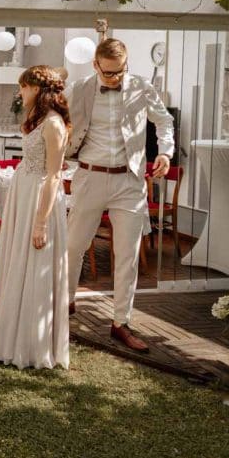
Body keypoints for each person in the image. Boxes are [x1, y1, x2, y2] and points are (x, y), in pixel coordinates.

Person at [66, 38, 174, 353]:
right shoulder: (79, 89)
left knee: (127, 254)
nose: (114, 78)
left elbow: (164, 121)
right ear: (95, 65)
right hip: (90, 177)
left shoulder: (142, 87)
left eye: (120, 71)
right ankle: (65, 302)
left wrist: (165, 152)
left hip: (129, 181)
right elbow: (57, 120)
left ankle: (120, 323)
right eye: (108, 73)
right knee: (73, 247)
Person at [0, 65, 71, 369]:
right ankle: (10, 334)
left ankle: (32, 345)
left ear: (36, 88)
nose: (20, 92)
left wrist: (40, 222)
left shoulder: (54, 124)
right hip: (25, 193)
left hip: (39, 199)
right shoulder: (38, 119)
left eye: (23, 86)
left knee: (35, 264)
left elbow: (54, 176)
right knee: (18, 262)